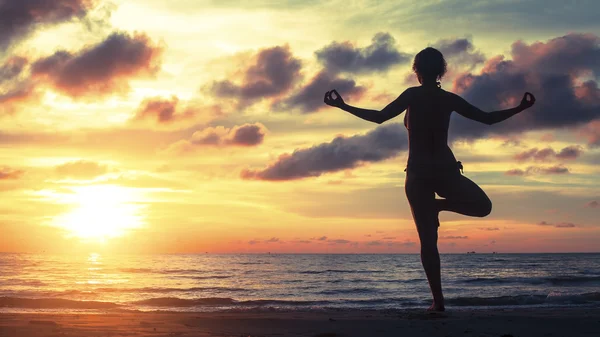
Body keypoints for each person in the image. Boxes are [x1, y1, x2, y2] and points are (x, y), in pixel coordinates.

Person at [323, 47, 536, 312]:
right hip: (444, 169)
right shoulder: (448, 99)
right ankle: (438, 292)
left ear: (417, 70)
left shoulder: (413, 95)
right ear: (441, 71)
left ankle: (438, 301)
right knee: (483, 207)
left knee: (428, 241)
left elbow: (379, 117)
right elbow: (488, 119)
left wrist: (343, 106)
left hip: (419, 173)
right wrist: (520, 108)